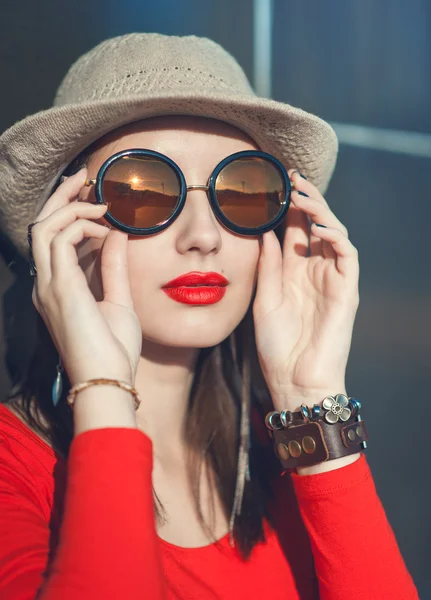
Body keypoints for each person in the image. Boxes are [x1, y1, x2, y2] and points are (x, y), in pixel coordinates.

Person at [0, 33, 418, 599]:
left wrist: (308, 395)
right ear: (64, 233)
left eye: (242, 192)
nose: (203, 237)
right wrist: (103, 386)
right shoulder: (13, 472)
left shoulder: (279, 453)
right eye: (140, 191)